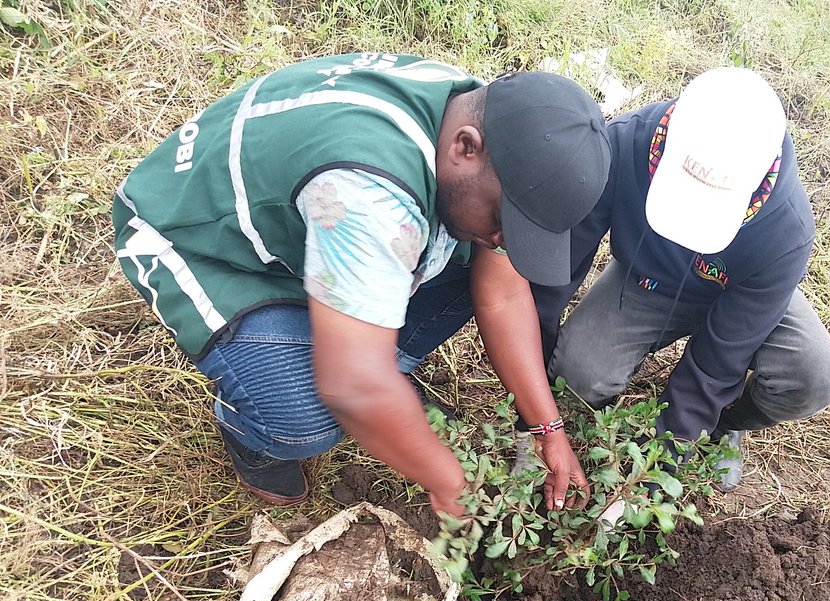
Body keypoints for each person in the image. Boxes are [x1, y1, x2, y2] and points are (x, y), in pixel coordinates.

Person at [113, 52, 611, 517]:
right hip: (207, 244)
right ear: (466, 147)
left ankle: (365, 355)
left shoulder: (487, 121)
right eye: (505, 219)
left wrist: (548, 429)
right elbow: (350, 388)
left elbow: (502, 292)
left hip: (315, 226)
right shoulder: (370, 194)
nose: (503, 238)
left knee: (475, 259)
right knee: (311, 415)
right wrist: (449, 481)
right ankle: (253, 426)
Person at [529, 66, 830, 490]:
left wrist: (654, 472)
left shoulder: (785, 229)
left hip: (741, 293)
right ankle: (603, 420)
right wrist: (533, 411)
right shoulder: (624, 144)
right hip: (646, 281)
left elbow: (721, 358)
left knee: (814, 375)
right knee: (580, 373)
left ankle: (724, 423)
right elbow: (556, 273)